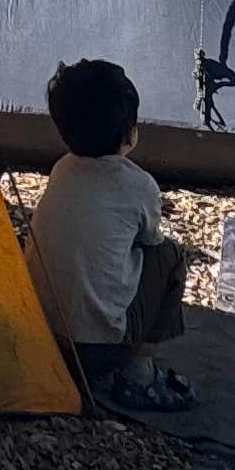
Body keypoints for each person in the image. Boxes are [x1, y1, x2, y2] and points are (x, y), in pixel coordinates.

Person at [27, 58, 195, 414]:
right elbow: (152, 244)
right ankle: (138, 370)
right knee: (170, 256)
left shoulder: (60, 170)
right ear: (130, 132)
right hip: (97, 352)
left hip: (41, 340)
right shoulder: (139, 185)